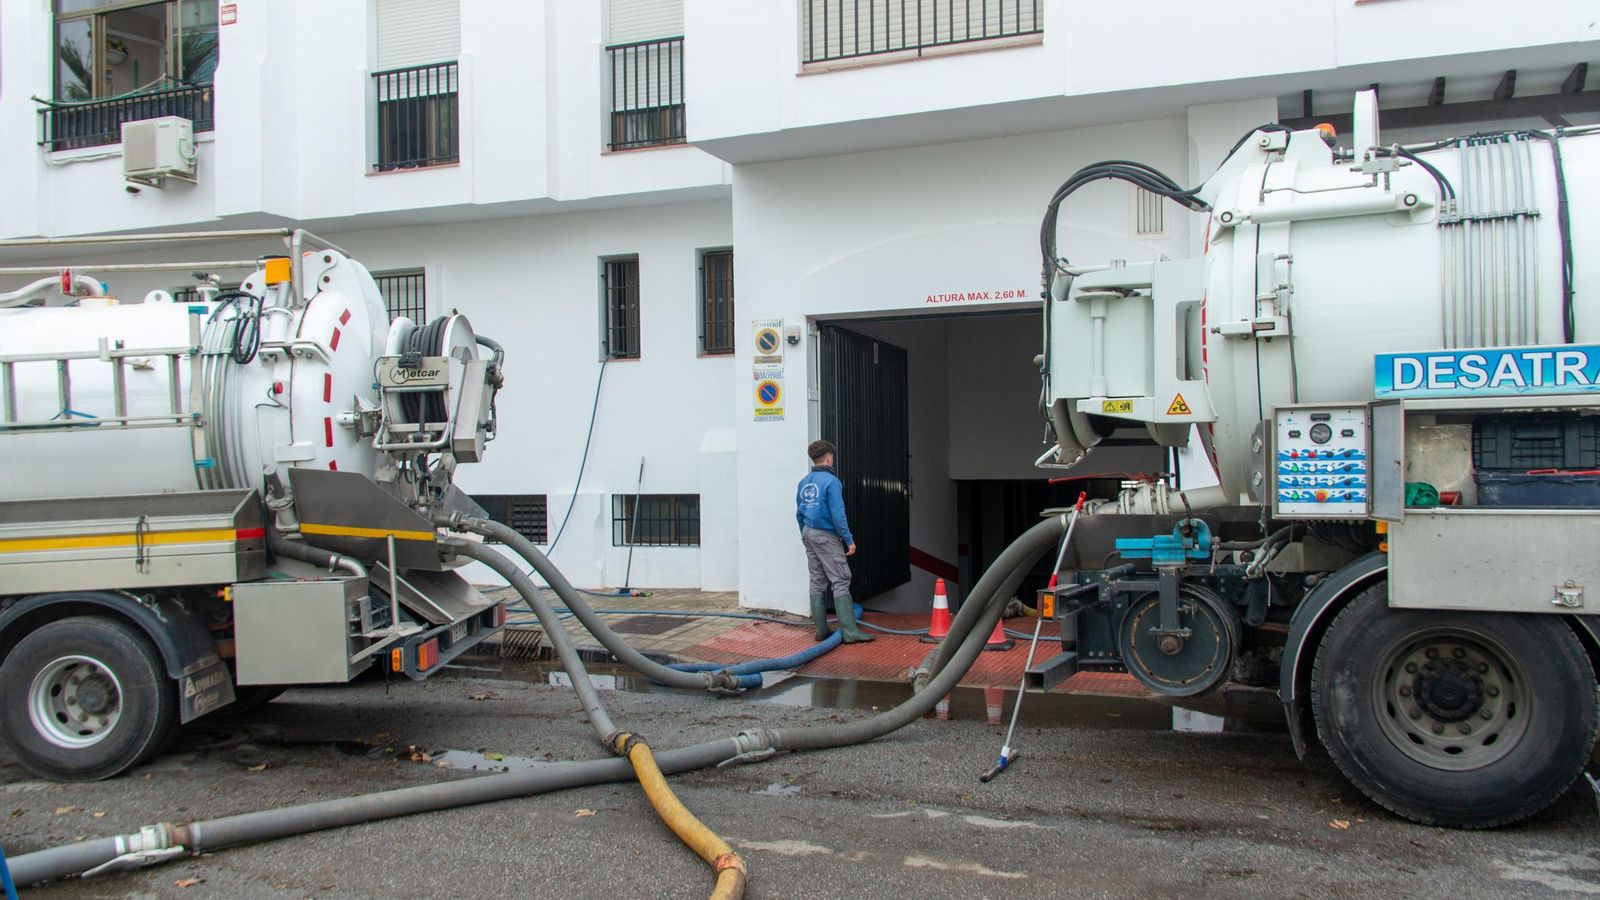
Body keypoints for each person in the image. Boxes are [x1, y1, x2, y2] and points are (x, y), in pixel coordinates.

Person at [795, 439, 872, 643]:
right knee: (841, 579)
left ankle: (821, 630)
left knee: (817, 580)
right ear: (829, 457)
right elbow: (838, 515)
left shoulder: (804, 482)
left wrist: (804, 535)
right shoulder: (831, 482)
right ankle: (850, 632)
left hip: (808, 533)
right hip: (825, 535)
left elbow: (799, 513)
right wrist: (849, 540)